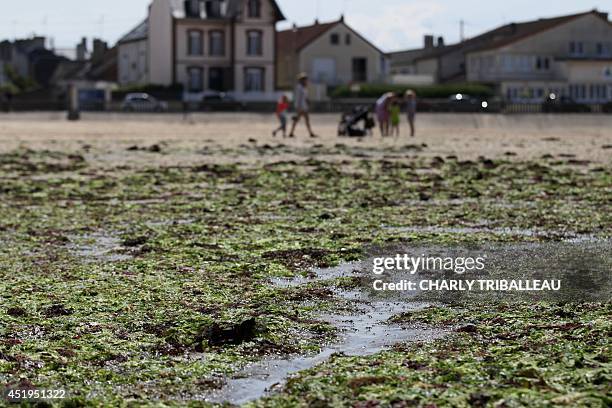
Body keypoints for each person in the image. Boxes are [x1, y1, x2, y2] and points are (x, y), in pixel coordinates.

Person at [288, 73, 318, 138]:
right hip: (301, 106)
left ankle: (292, 133)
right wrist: (298, 107)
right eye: (305, 79)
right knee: (298, 119)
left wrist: (308, 102)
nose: (306, 81)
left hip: (304, 106)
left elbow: (305, 97)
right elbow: (298, 98)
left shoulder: (304, 87)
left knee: (303, 120)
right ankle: (310, 133)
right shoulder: (299, 87)